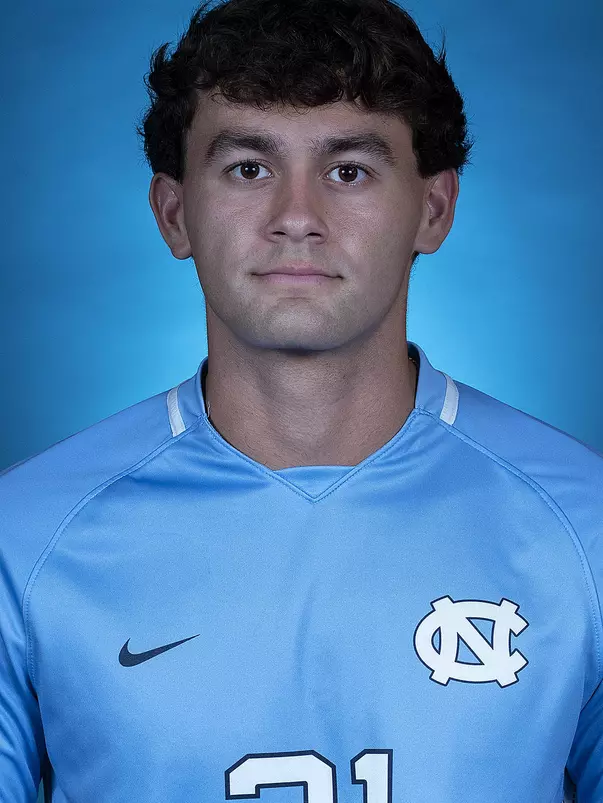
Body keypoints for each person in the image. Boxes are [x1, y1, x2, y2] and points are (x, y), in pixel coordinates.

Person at [0, 0, 600, 799]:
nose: (296, 218)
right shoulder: (24, 541)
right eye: (249, 167)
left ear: (433, 208)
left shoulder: (586, 531)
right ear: (174, 212)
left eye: (347, 170)